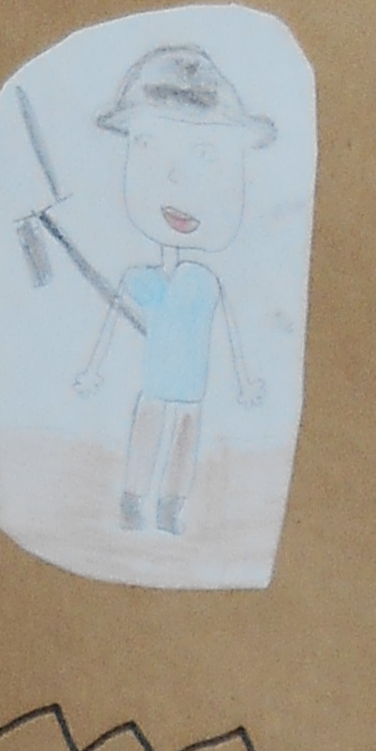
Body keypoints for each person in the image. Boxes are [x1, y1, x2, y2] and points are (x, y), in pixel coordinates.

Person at [78, 45, 272, 535]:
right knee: (148, 428)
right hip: (156, 384)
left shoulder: (204, 282)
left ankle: (170, 505)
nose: (177, 178)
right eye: (149, 147)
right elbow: (109, 327)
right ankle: (132, 498)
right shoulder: (141, 279)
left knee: (185, 436)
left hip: (192, 386)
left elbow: (231, 335)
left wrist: (246, 381)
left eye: (206, 156)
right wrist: (93, 369)